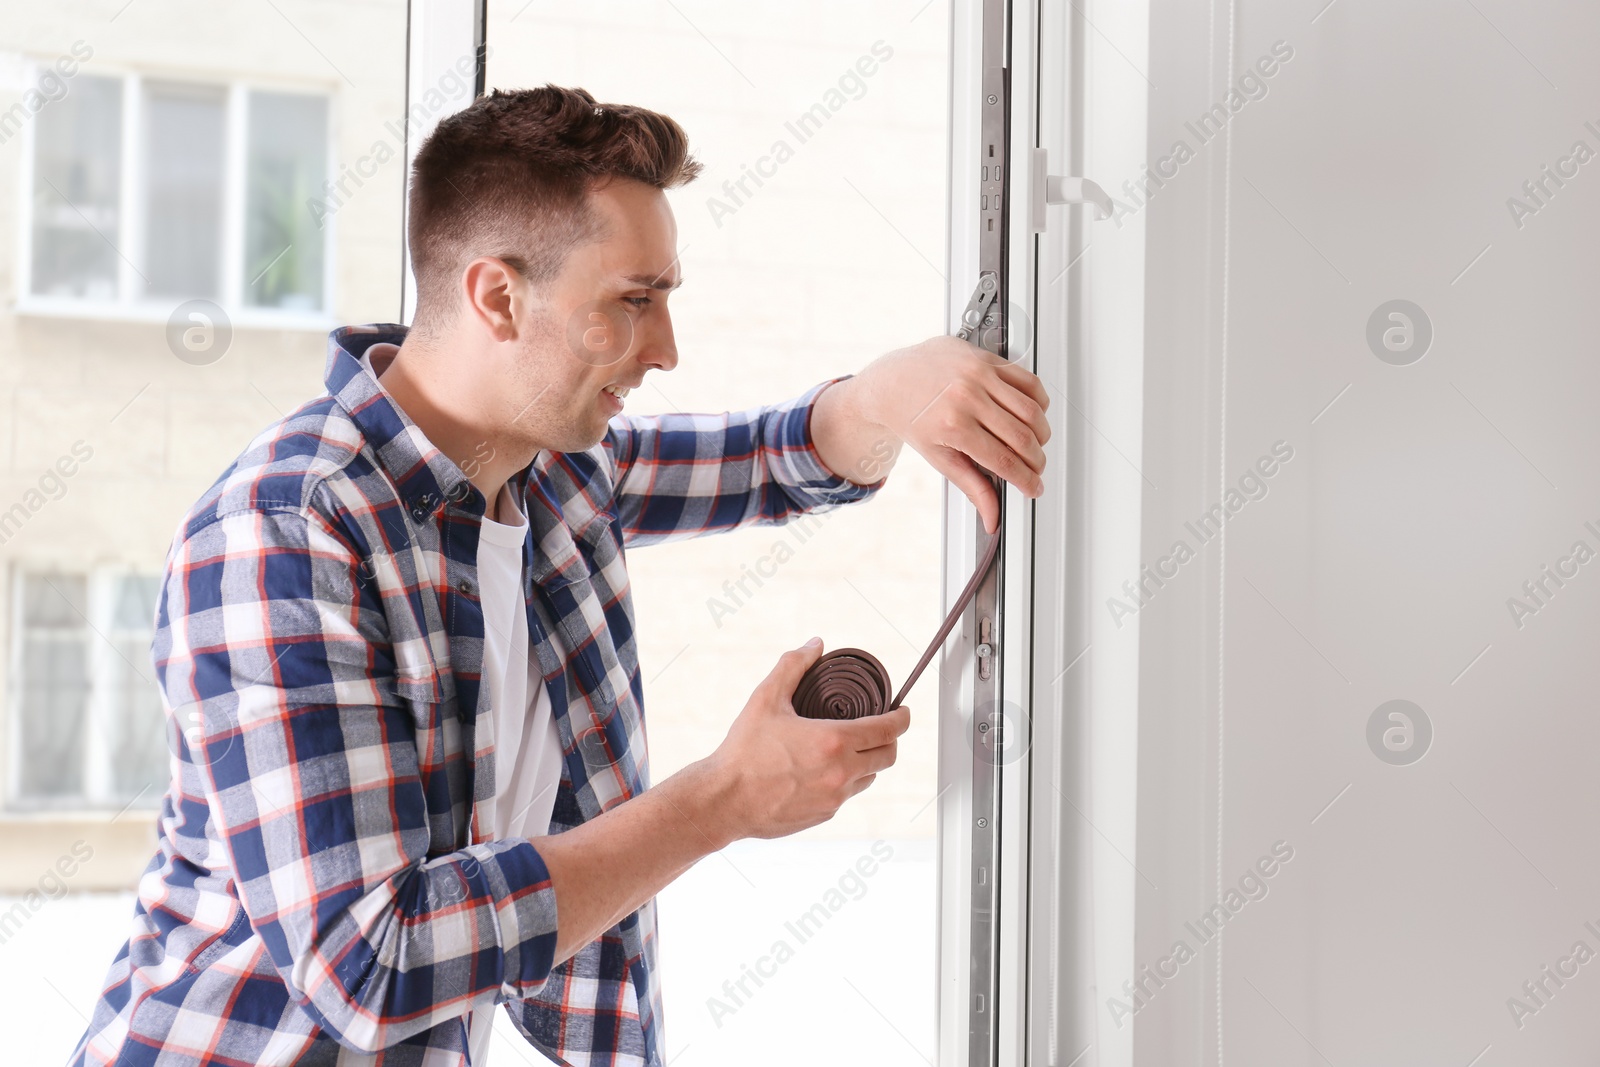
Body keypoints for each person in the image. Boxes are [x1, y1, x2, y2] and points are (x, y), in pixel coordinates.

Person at [68, 84, 1049, 1067]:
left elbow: (773, 455)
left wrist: (897, 391)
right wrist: (724, 798)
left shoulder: (558, 472)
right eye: (633, 301)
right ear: (498, 295)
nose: (666, 348)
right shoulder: (285, 536)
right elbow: (370, 965)